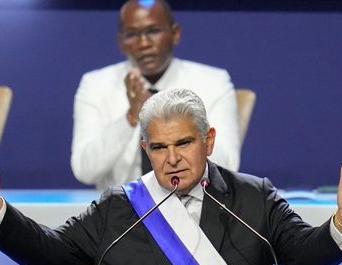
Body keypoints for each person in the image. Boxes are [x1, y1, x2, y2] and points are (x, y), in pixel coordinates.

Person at [0, 88, 342, 265]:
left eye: (184, 144)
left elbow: (305, 253)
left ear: (208, 141)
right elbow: (51, 254)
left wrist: (341, 225)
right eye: (159, 148)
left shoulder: (253, 199)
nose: (172, 159)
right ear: (145, 150)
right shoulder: (119, 208)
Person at [71, 0, 241, 190]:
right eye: (132, 34)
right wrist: (131, 117)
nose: (144, 43)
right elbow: (84, 170)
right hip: (120, 209)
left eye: (153, 31)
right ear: (120, 42)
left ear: (175, 33)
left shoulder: (213, 81)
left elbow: (227, 164)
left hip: (193, 205)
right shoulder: (95, 84)